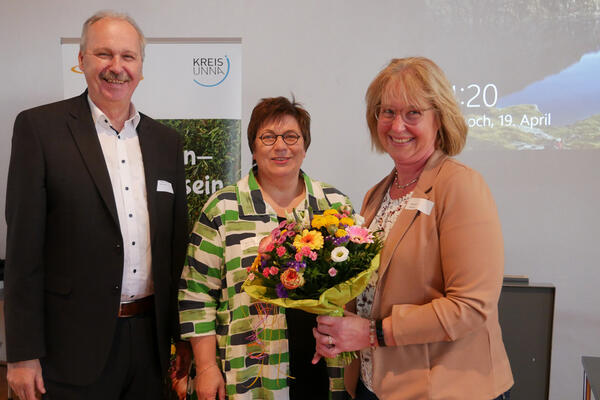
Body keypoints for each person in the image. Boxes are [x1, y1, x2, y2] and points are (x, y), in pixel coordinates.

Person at [4, 10, 188, 400]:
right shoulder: (40, 129)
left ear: (141, 68)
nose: (116, 67)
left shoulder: (166, 142)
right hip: (70, 345)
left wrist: (181, 338)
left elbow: (175, 248)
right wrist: (21, 354)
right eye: (104, 54)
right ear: (81, 60)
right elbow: (23, 251)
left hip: (150, 345)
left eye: (128, 57)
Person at [312, 57, 514, 400]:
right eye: (387, 112)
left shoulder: (460, 186)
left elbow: (471, 307)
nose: (397, 125)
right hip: (374, 385)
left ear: (439, 118)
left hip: (445, 389)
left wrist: (373, 333)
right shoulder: (376, 194)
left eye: (413, 113)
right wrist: (337, 329)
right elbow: (369, 289)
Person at [177, 96, 352, 400]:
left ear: (305, 145)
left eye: (291, 137)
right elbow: (196, 293)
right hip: (248, 373)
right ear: (254, 148)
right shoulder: (223, 208)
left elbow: (352, 288)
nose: (280, 146)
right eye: (268, 137)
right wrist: (205, 367)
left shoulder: (335, 206)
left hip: (322, 368)